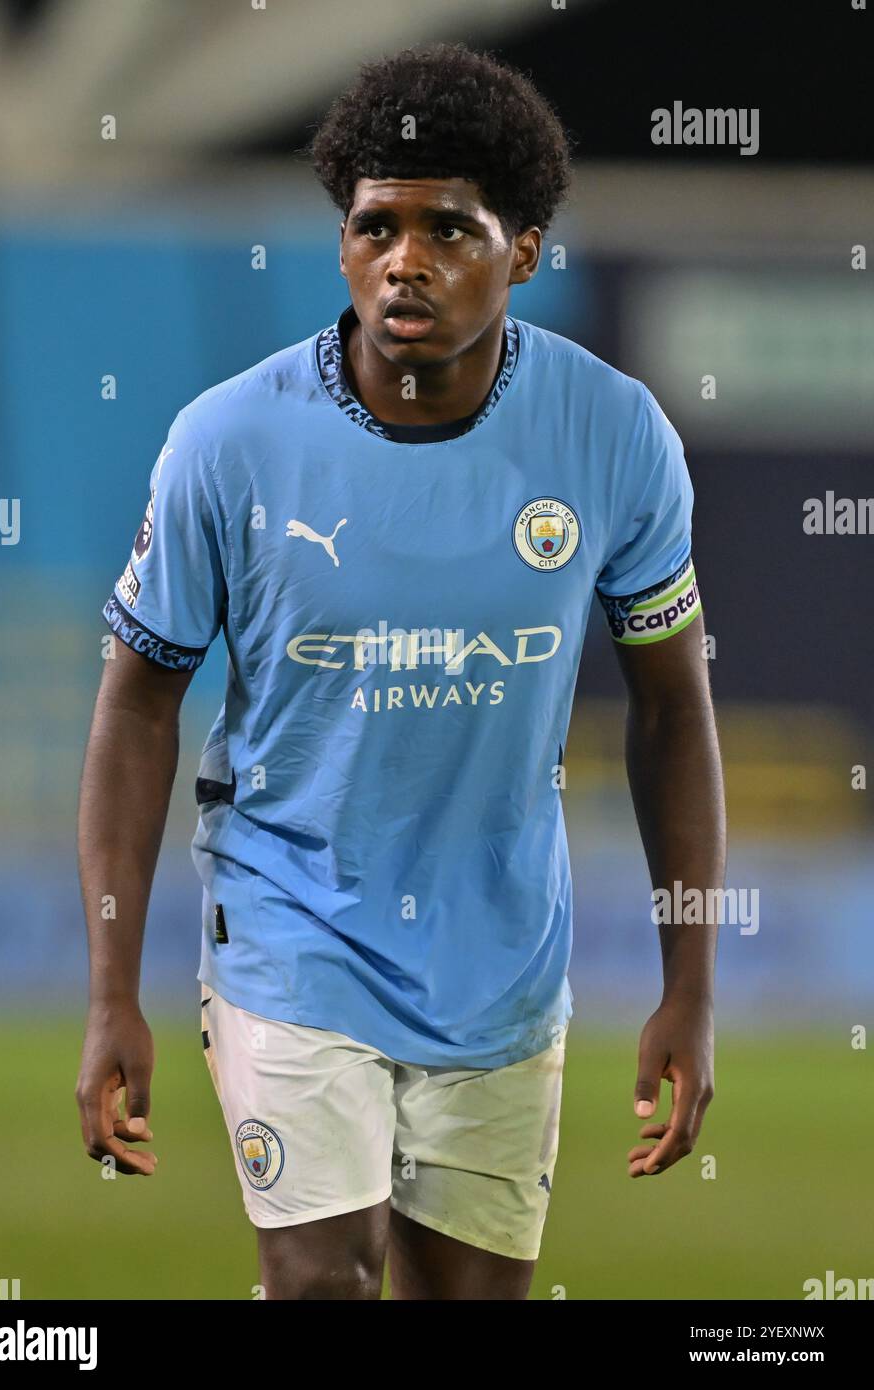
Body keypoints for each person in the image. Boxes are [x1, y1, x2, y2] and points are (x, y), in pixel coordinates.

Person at [76, 40, 725, 1301]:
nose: (405, 260)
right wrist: (111, 990)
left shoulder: (613, 436)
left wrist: (688, 987)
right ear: (341, 245)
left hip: (501, 955)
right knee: (324, 1281)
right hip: (288, 920)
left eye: (450, 230)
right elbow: (136, 702)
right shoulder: (229, 442)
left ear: (525, 251)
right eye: (376, 226)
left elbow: (671, 711)